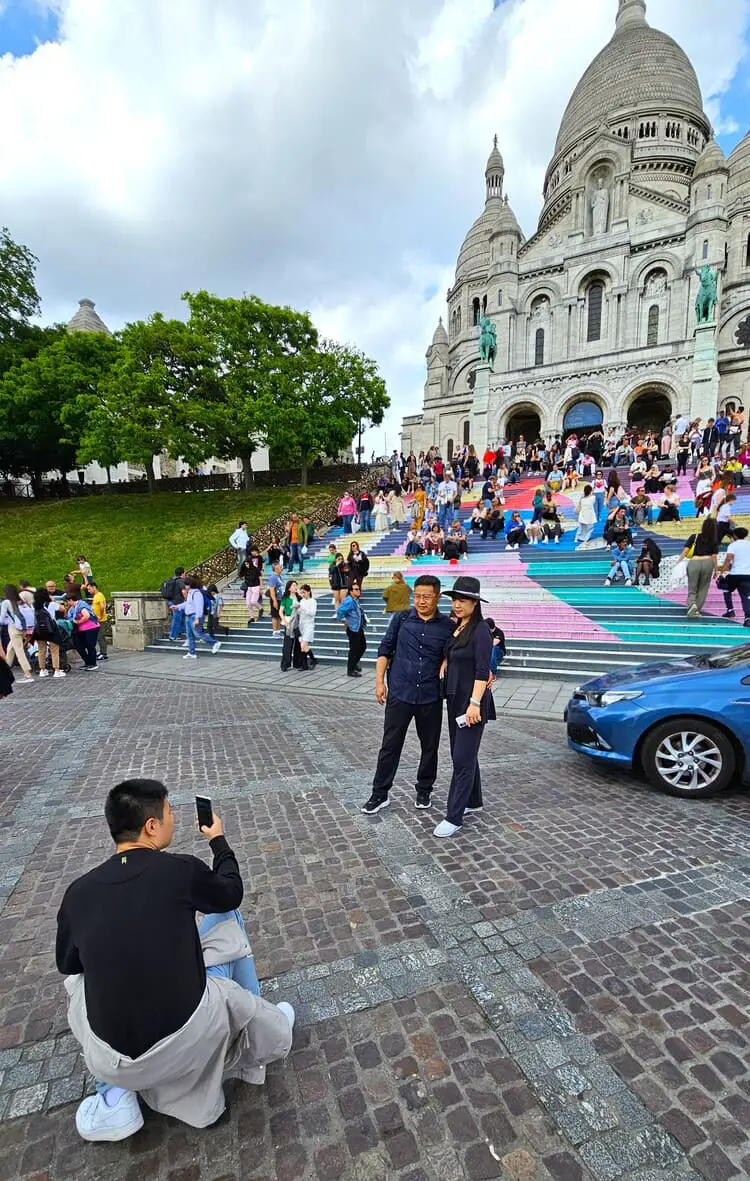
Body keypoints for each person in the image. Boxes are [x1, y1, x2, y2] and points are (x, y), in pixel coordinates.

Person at [56, 778, 293, 1141]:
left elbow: (69, 964)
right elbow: (231, 893)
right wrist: (218, 840)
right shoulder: (178, 870)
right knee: (229, 919)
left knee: (80, 982)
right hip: (188, 1040)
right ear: (151, 826)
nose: (173, 820)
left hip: (115, 1062)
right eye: (169, 813)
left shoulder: (79, 893)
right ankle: (252, 1055)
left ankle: (115, 1098)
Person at [362, 575, 453, 814]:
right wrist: (379, 683)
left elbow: (457, 651)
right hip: (400, 694)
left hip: (430, 696)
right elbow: (385, 649)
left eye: (427, 597)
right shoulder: (401, 618)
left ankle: (424, 790)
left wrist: (446, 660)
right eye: (418, 596)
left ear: (438, 596)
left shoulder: (447, 626)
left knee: (429, 746)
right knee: (390, 745)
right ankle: (379, 794)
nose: (421, 601)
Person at [433, 577, 496, 838]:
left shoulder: (480, 629)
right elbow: (454, 652)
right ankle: (473, 801)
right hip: (455, 699)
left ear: (475, 603)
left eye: (463, 600)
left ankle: (454, 816)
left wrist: (474, 704)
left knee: (461, 759)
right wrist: (446, 661)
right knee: (465, 754)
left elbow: (483, 670)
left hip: (472, 703)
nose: (457, 605)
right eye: (455, 600)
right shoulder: (459, 626)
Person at [680, 516, 720, 618]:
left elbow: (686, 550)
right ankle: (696, 609)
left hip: (694, 562)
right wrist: (716, 569)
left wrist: (679, 562)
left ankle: (691, 605)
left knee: (692, 587)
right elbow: (714, 556)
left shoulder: (694, 536)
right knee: (703, 588)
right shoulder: (714, 540)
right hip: (708, 562)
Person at [0, 584, 34, 682]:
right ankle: (5, 670)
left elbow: (1, 619)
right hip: (25, 628)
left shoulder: (6, 602)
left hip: (14, 628)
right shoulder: (21, 601)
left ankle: (27, 674)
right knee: (10, 649)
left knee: (19, 651)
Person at [181, 577, 221, 658]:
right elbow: (187, 604)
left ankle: (215, 643)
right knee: (190, 635)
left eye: (186, 585)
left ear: (190, 585)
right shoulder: (190, 593)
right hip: (189, 616)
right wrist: (178, 606)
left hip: (194, 616)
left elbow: (199, 607)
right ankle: (191, 652)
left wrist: (197, 618)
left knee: (198, 633)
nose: (185, 586)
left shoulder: (196, 593)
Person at [65, 587, 102, 670]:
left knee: (90, 646)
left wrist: (78, 622)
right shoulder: (72, 609)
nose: (67, 603)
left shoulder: (81, 605)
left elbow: (86, 616)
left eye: (67, 601)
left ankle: (93, 663)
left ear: (71, 600)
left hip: (91, 628)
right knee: (79, 646)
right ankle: (87, 661)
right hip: (81, 630)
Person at [719, 526, 750, 625]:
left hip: (735, 574)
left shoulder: (733, 545)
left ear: (735, 535)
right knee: (745, 596)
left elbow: (728, 559)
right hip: (747, 574)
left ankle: (730, 610)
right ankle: (748, 618)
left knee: (725, 588)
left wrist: (722, 573)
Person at [336, 582, 367, 677]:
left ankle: (354, 663)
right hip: (353, 628)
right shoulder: (349, 601)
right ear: (351, 591)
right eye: (356, 589)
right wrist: (344, 621)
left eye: (359, 589)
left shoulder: (355, 600)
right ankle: (351, 669)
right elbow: (340, 611)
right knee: (354, 649)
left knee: (362, 646)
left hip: (358, 627)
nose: (359, 591)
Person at [162, 567, 187, 642]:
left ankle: (181, 632)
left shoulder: (171, 580)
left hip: (170, 601)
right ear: (182, 573)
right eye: (185, 573)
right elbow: (184, 591)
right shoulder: (181, 580)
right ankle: (173, 636)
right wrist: (188, 599)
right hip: (177, 602)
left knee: (182, 617)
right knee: (177, 619)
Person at [85, 581, 108, 660]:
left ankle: (104, 653)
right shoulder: (96, 596)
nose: (88, 591)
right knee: (98, 636)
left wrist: (100, 616)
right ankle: (101, 652)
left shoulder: (99, 596)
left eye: (89, 589)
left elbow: (102, 607)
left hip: (100, 620)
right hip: (96, 619)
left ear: (94, 587)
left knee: (101, 636)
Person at [239, 551, 263, 626]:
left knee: (253, 601)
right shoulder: (245, 570)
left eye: (247, 564)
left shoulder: (255, 569)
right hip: (249, 587)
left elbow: (260, 578)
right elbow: (240, 575)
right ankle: (252, 617)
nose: (246, 565)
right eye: (245, 564)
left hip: (256, 586)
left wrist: (261, 587)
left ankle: (260, 608)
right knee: (248, 604)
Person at [297, 585, 317, 669]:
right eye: (301, 593)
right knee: (303, 645)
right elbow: (300, 613)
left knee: (303, 644)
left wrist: (303, 608)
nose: (302, 594)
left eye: (304, 592)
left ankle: (313, 659)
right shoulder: (302, 601)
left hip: (309, 624)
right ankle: (304, 664)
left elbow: (312, 613)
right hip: (302, 624)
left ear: (308, 591)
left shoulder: (313, 601)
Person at [266, 563, 283, 638]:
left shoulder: (279, 576)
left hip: (280, 598)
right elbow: (272, 590)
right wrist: (274, 600)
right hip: (275, 599)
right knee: (275, 615)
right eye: (280, 567)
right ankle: (275, 631)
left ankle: (278, 631)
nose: (281, 568)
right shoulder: (273, 577)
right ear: (276, 569)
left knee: (279, 615)